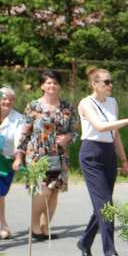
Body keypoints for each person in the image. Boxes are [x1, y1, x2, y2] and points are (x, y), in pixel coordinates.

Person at [76, 69, 128, 256]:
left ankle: (84, 242)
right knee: (107, 205)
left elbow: (114, 132)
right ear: (94, 84)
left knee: (102, 205)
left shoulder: (113, 102)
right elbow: (99, 126)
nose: (110, 85)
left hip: (108, 153)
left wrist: (123, 160)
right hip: (91, 153)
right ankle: (110, 252)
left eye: (111, 82)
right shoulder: (86, 103)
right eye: (106, 82)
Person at [13, 70, 80, 240]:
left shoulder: (68, 107)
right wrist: (19, 156)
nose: (52, 86)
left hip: (60, 155)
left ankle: (45, 227)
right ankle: (35, 227)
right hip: (37, 155)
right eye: (48, 82)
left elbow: (75, 131)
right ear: (42, 86)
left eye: (55, 82)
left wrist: (68, 138)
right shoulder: (33, 106)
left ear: (59, 85)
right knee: (42, 191)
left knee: (54, 190)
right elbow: (25, 133)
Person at [0, 86, 24, 239]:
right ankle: (2, 224)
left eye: (11, 99)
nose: (7, 101)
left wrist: (19, 158)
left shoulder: (18, 119)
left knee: (0, 194)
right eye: (4, 98)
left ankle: (2, 223)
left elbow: (19, 140)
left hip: (7, 161)